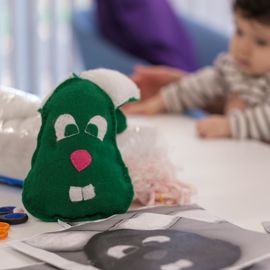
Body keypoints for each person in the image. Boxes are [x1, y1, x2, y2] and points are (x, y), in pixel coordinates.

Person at [124, 0, 270, 142]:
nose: (243, 49)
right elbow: (199, 85)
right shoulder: (233, 68)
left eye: (261, 42)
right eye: (239, 32)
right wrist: (160, 102)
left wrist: (229, 126)